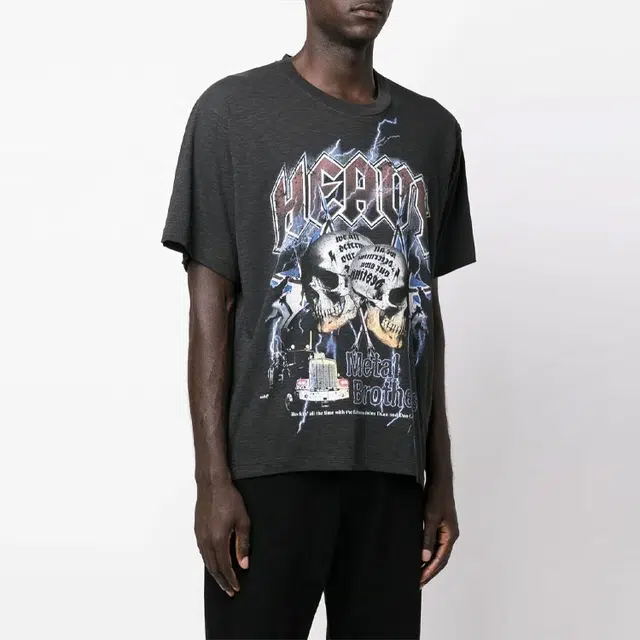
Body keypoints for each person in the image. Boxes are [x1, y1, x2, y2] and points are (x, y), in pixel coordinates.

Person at [161, 1, 476, 637]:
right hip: (268, 472)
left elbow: (424, 312)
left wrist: (439, 474)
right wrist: (211, 479)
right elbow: (210, 307)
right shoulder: (230, 114)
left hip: (391, 475)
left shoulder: (433, 130)